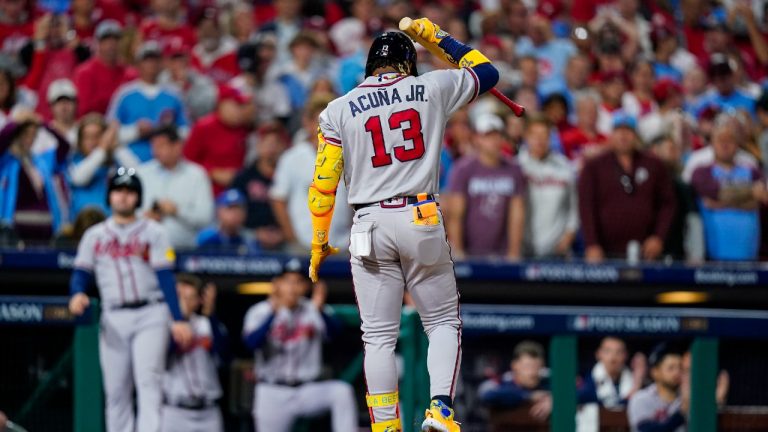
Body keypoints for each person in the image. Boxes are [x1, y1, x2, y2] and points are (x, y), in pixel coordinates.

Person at [306, 20, 500, 431]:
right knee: (443, 321)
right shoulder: (431, 86)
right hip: (419, 215)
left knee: (377, 337)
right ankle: (441, 410)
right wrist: (437, 36)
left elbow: (323, 185)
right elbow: (487, 72)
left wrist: (319, 240)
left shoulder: (337, 109)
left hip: (368, 223)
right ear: (408, 63)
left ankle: (385, 426)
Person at [67, 167, 193, 432]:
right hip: (113, 316)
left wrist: (177, 318)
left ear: (137, 197)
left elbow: (165, 277)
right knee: (115, 390)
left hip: (151, 313)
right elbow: (80, 272)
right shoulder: (94, 235)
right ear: (110, 196)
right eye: (118, 191)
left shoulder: (154, 231)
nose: (123, 197)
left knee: (149, 384)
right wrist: (77, 293)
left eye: (129, 192)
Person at [242, 258, 356, 432]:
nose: (293, 287)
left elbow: (336, 336)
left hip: (306, 391)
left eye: (298, 282)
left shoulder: (313, 309)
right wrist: (273, 314)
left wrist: (320, 311)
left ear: (306, 287)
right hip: (272, 391)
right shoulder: (260, 311)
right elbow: (251, 344)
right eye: (287, 281)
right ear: (277, 284)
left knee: (341, 392)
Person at [579, 112, 677, 262]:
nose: (623, 136)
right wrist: (591, 243)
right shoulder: (594, 166)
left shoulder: (654, 164)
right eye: (619, 131)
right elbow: (586, 207)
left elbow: (668, 204)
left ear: (636, 135)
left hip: (647, 252)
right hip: (604, 252)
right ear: (611, 134)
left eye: (628, 131)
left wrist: (659, 237)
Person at [270, 95, 351, 252]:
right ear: (307, 123)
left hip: (342, 243)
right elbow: (278, 199)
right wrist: (292, 237)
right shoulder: (291, 157)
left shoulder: (349, 155)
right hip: (303, 244)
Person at [446, 113, 526, 260]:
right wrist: (458, 251)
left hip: (502, 254)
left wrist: (514, 252)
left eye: (497, 135)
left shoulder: (514, 169)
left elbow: (517, 214)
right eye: (487, 136)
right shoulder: (463, 169)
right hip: (469, 252)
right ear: (477, 139)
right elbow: (455, 214)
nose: (493, 141)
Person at [690, 122, 767, 260]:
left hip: (749, 254)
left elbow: (760, 200)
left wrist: (720, 204)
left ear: (738, 144)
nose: (725, 144)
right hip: (713, 256)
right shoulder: (701, 172)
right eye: (720, 140)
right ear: (712, 143)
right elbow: (715, 193)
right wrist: (749, 195)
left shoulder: (752, 170)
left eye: (730, 140)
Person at [161, 274, 228, 432]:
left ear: (199, 300)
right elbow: (163, 355)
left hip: (208, 411)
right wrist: (180, 319)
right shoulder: (161, 325)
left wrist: (211, 315)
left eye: (189, 297)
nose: (183, 302)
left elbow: (225, 355)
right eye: (179, 297)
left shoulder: (207, 325)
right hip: (174, 410)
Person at [107, 41, 189, 162]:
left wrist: (166, 131)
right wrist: (135, 131)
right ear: (138, 64)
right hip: (131, 161)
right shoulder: (124, 94)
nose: (151, 64)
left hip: (167, 163)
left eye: (155, 60)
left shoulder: (174, 94)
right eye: (147, 60)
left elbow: (187, 131)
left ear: (162, 63)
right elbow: (110, 133)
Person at [137, 125, 213, 249]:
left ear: (177, 146)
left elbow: (205, 218)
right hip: (146, 249)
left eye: (161, 146)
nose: (155, 151)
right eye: (154, 146)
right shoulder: (142, 173)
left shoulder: (197, 175)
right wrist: (144, 217)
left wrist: (177, 211)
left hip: (184, 250)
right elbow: (129, 212)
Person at [0, 111, 70, 242]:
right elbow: (1, 140)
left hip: (46, 227)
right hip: (15, 229)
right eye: (26, 134)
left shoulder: (42, 161)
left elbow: (65, 146)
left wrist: (43, 123)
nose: (30, 139)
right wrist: (15, 123)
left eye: (33, 135)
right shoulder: (6, 161)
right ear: (17, 135)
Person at [518, 116, 578, 258]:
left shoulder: (564, 166)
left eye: (544, 135)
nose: (540, 140)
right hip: (523, 250)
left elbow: (574, 207)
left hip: (558, 251)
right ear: (526, 137)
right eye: (535, 135)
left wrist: (569, 235)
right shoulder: (517, 166)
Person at [182, 85, 250, 197]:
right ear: (222, 104)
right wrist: (212, 173)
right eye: (236, 105)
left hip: (237, 192)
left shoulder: (243, 129)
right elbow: (187, 161)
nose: (240, 110)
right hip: (208, 191)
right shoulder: (204, 127)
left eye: (242, 106)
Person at [67, 115, 139, 217]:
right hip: (84, 223)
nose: (92, 142)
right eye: (87, 137)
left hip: (113, 224)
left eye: (97, 136)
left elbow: (139, 173)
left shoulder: (117, 163)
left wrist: (116, 146)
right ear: (80, 141)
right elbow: (79, 179)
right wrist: (102, 149)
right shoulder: (74, 161)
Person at [232, 122, 286, 250]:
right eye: (267, 143)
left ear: (283, 147)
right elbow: (234, 211)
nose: (271, 149)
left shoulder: (290, 177)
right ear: (258, 146)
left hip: (284, 237)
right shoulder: (244, 177)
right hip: (250, 235)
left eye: (276, 144)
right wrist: (256, 233)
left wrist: (284, 234)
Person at [576, 337, 647, 432]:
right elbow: (611, 405)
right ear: (598, 354)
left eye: (618, 352)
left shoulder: (632, 380)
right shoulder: (587, 382)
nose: (613, 358)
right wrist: (635, 388)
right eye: (607, 351)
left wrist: (638, 381)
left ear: (626, 355)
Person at [478, 340, 552, 421]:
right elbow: (485, 394)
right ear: (514, 365)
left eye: (536, 367)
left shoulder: (549, 383)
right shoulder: (502, 381)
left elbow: (565, 393)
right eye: (527, 367)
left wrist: (554, 400)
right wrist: (529, 396)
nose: (532, 372)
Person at [72, 20, 127, 117]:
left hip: (124, 127)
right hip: (95, 126)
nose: (111, 45)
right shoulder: (85, 72)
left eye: (115, 40)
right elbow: (83, 110)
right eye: (105, 40)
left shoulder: (130, 73)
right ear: (97, 44)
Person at [627, 344, 687, 432]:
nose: (677, 373)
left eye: (680, 368)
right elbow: (648, 430)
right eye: (671, 368)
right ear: (655, 372)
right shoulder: (641, 398)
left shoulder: (686, 397)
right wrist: (682, 412)